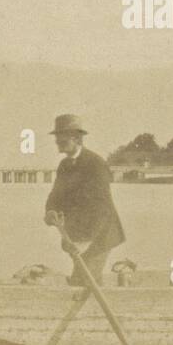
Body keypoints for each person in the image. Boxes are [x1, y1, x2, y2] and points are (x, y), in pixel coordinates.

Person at [42, 114, 125, 285]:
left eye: (62, 138)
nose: (57, 141)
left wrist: (87, 241)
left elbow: (102, 208)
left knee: (85, 282)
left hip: (101, 234)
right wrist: (49, 211)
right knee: (84, 280)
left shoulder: (95, 164)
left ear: (76, 138)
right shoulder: (64, 165)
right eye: (57, 137)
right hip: (76, 236)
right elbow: (55, 195)